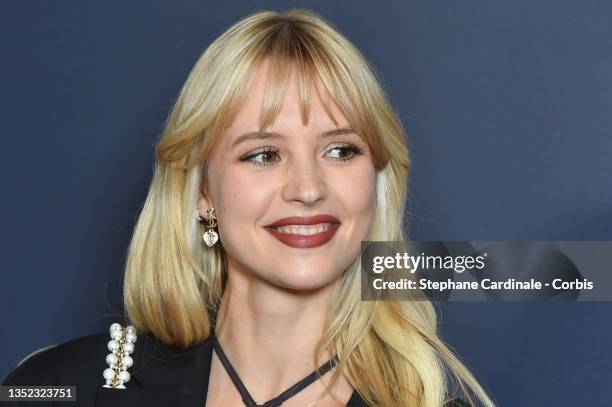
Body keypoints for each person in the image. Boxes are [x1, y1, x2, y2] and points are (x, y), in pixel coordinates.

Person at [3, 9, 496, 407]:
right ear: (202, 192)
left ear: (376, 182)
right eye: (263, 154)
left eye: (341, 150)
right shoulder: (55, 387)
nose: (308, 189)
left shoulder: (430, 400)